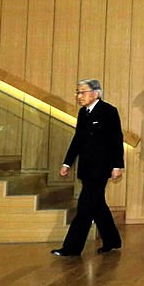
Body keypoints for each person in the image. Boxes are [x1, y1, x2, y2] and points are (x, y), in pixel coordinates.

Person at [51, 79, 124, 256]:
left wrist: (117, 165)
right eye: (77, 92)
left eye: (82, 92)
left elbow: (116, 139)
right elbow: (78, 140)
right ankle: (112, 240)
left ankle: (72, 248)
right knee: (98, 206)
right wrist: (67, 163)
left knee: (84, 207)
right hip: (86, 168)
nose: (79, 96)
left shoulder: (109, 111)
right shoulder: (83, 113)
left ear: (95, 93)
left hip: (101, 168)